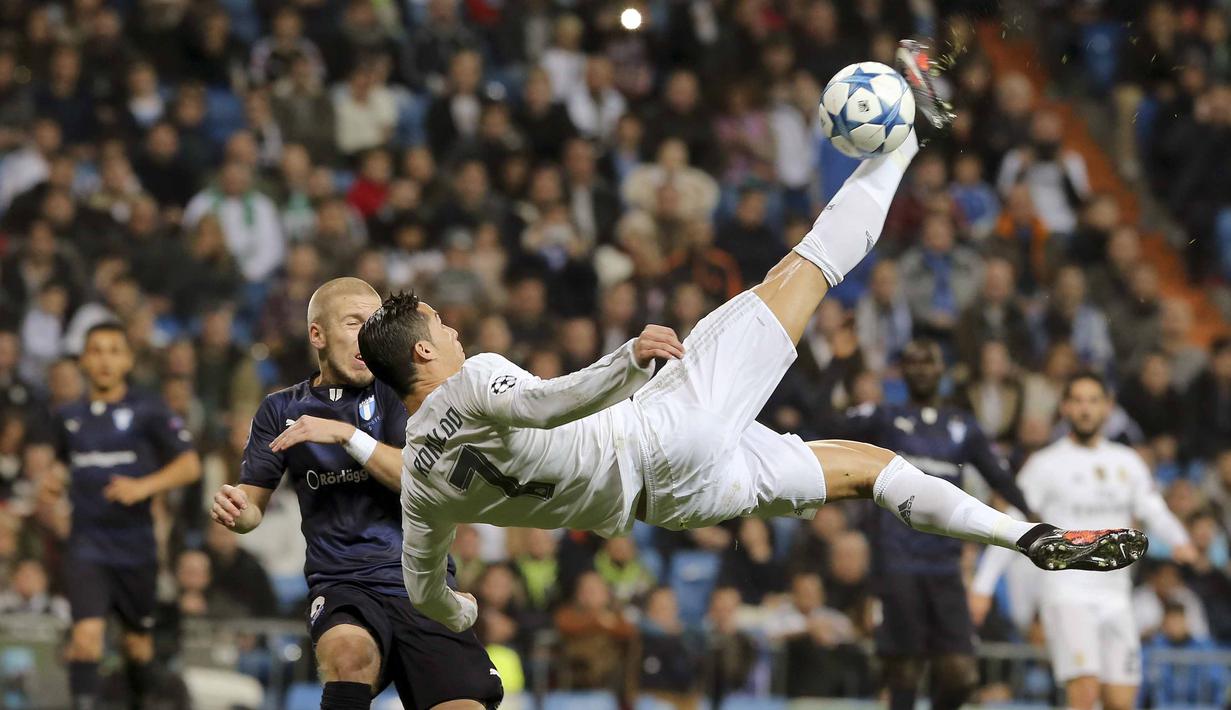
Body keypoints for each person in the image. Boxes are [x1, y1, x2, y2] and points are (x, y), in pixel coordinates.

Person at [356, 43, 1147, 635]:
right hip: (662, 430)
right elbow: (542, 402)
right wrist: (625, 362)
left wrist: (459, 614)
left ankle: (1030, 537)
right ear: (423, 354)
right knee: (802, 269)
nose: (454, 330)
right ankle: (909, 133)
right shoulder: (471, 383)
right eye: (443, 328)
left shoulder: (422, 490)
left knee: (866, 472)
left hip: (671, 501)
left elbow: (426, 589)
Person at [209, 278, 501, 710]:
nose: (368, 335)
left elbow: (418, 478)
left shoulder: (401, 392)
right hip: (343, 582)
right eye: (354, 323)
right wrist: (238, 509)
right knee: (348, 655)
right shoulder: (280, 410)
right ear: (317, 335)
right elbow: (253, 506)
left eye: (374, 323)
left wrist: (346, 436)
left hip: (422, 583)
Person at [971, 372, 1197, 710]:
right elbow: (1015, 525)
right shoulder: (1045, 464)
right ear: (1064, 408)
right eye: (1077, 401)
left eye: (1093, 401)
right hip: (1067, 592)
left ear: (1107, 407)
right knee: (1084, 693)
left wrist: (1180, 540)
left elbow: (1153, 508)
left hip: (1116, 595)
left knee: (1121, 701)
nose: (1085, 409)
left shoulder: (1127, 462)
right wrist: (982, 586)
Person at [842, 338, 1034, 710]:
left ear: (942, 370)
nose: (921, 368)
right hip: (897, 562)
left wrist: (1039, 524)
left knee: (962, 676)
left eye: (928, 361)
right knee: (904, 676)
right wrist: (841, 362)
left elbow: (1001, 479)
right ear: (902, 371)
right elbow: (827, 426)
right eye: (912, 361)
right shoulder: (883, 418)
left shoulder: (962, 426)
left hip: (944, 566)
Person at [53, 322, 201, 710]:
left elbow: (189, 465)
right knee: (85, 638)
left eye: (113, 350)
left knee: (137, 646)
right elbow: (59, 466)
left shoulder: (149, 409)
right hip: (87, 547)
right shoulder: (68, 417)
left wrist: (144, 487)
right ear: (84, 360)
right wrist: (52, 481)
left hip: (136, 548)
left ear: (128, 360)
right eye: (96, 351)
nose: (104, 359)